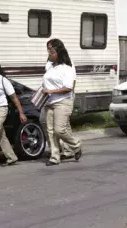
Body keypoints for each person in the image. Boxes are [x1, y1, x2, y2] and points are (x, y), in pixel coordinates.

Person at [42, 38, 82, 166]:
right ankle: (54, 157)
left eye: (51, 50)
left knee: (60, 130)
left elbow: (69, 87)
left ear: (59, 51)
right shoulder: (49, 66)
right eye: (48, 50)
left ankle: (76, 145)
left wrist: (51, 92)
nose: (49, 53)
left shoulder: (67, 68)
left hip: (63, 101)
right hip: (49, 102)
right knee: (50, 131)